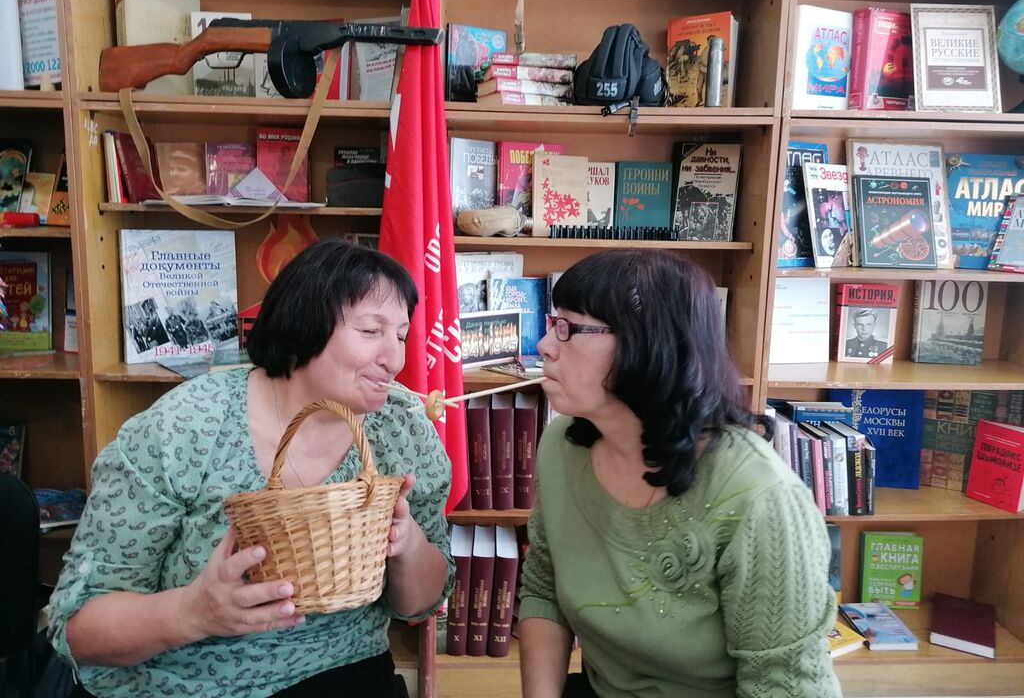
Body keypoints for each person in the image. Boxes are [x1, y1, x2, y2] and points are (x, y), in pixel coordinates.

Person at [48, 239, 455, 698]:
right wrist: (192, 613)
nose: (394, 359)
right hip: (183, 683)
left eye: (400, 335)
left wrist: (408, 545)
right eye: (369, 330)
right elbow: (77, 628)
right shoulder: (184, 428)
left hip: (343, 670)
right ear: (305, 321)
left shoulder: (401, 432)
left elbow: (419, 605)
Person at [518, 249, 840, 697]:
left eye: (569, 328)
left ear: (648, 344)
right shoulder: (561, 447)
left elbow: (784, 685)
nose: (544, 345)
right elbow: (543, 588)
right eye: (554, 323)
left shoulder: (761, 500)